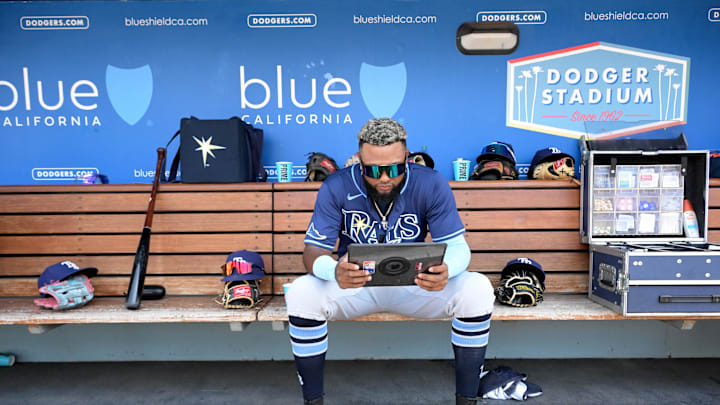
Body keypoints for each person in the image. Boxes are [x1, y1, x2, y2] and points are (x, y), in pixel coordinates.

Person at [285, 118, 495, 405]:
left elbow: (459, 247)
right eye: (373, 170)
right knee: (301, 291)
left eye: (394, 168)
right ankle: (312, 401)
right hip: (355, 288)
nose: (385, 178)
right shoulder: (336, 186)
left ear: (407, 159)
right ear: (359, 162)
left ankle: (467, 399)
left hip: (416, 286)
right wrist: (334, 271)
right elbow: (311, 252)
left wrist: (447, 270)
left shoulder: (429, 182)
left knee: (477, 287)